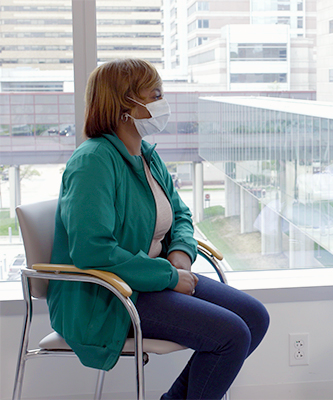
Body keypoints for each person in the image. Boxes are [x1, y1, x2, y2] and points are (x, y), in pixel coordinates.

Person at [47, 58, 269, 400]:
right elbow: (93, 250)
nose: (162, 102)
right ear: (124, 105)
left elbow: (180, 214)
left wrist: (180, 254)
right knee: (231, 335)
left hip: (150, 279)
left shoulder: (146, 155)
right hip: (109, 296)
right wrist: (167, 276)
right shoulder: (92, 161)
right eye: (155, 95)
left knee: (254, 317)